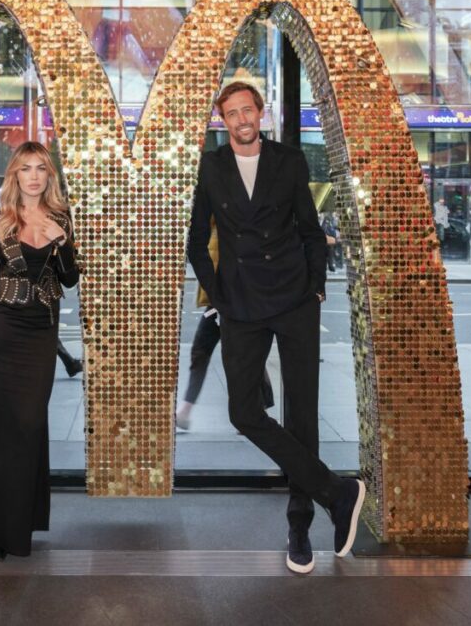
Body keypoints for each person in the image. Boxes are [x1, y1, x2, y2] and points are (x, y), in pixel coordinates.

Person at [187, 82, 365, 575]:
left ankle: (299, 525)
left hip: (293, 300)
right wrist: (218, 296)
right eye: (231, 113)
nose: (241, 119)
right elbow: (197, 240)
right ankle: (336, 490)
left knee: (301, 413)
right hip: (240, 302)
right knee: (245, 411)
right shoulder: (211, 166)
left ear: (260, 114)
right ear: (221, 120)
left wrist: (315, 288)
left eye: (248, 110)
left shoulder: (289, 161)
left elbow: (310, 230)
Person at [0, 141, 79, 564]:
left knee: (26, 430)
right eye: (26, 169)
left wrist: (65, 244)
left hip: (41, 335)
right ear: (15, 176)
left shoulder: (61, 219)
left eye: (41, 168)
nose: (35, 176)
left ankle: (3, 528)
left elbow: (70, 279)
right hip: (3, 332)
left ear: (49, 175)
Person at [176, 221, 274, 432]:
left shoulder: (229, 224)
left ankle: (256, 409)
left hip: (232, 302)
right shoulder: (212, 224)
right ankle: (258, 407)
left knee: (241, 356)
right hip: (218, 302)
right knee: (223, 354)